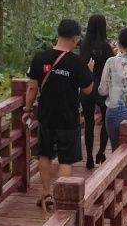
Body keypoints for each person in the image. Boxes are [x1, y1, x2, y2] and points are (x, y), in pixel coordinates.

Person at [24, 18, 94, 215]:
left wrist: (27, 110)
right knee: (66, 159)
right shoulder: (77, 63)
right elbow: (88, 90)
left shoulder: (40, 58)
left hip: (46, 115)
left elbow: (32, 87)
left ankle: (46, 193)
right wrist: (88, 71)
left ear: (58, 34)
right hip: (68, 117)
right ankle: (61, 198)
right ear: (75, 38)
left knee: (44, 153)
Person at [79, 14, 112, 169]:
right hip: (102, 88)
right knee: (105, 120)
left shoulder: (84, 45)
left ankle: (89, 158)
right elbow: (112, 65)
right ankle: (101, 152)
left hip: (86, 86)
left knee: (89, 123)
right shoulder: (106, 46)